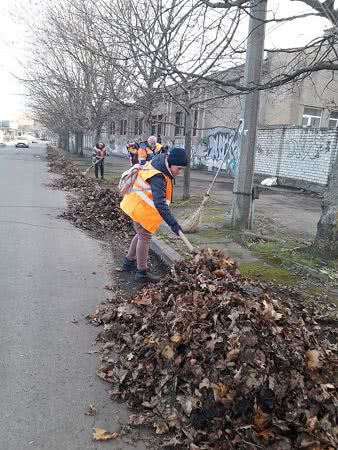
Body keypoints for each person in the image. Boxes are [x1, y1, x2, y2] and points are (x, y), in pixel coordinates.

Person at [120, 147, 188, 282]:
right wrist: (173, 224)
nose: (180, 172)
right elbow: (160, 204)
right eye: (179, 168)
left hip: (136, 205)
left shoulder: (160, 162)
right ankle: (142, 273)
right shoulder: (158, 176)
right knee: (144, 237)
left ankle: (128, 262)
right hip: (139, 208)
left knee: (140, 235)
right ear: (170, 163)